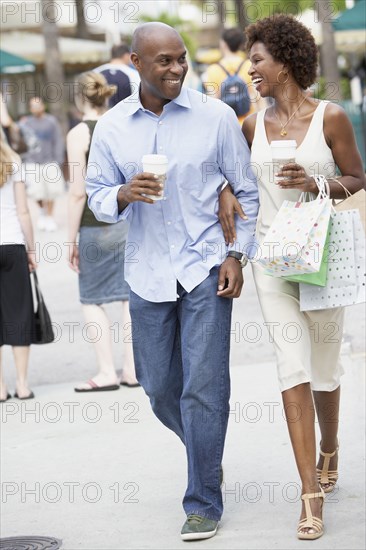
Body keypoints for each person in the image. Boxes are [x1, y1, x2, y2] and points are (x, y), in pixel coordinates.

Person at [86, 22, 259, 541]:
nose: (177, 69)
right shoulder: (113, 128)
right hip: (147, 273)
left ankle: (203, 498)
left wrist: (236, 255)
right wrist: (122, 195)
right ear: (135, 63)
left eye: (181, 58)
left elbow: (246, 193)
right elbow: (97, 194)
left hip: (206, 268)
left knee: (204, 389)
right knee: (160, 388)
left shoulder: (216, 117)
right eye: (163, 61)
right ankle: (204, 456)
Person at [218, 14, 365, 541]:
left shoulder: (331, 118)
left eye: (258, 59)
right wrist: (227, 195)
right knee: (291, 366)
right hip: (272, 263)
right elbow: (234, 182)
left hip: (322, 258)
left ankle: (330, 447)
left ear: (285, 61)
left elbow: (357, 178)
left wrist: (317, 182)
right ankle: (308, 493)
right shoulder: (250, 125)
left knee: (326, 370)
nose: (250, 69)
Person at [66, 72, 139, 391]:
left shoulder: (78, 133)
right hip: (124, 221)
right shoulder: (119, 126)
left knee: (91, 299)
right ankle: (133, 371)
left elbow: (77, 192)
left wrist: (70, 240)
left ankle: (107, 371)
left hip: (94, 226)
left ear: (80, 98)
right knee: (127, 299)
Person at [0, 128, 37, 402]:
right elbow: (23, 211)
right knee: (19, 312)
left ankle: (0, 388)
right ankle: (22, 385)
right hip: (13, 244)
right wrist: (31, 249)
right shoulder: (13, 160)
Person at [202, 27, 265, 125]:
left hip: (226, 125)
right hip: (249, 124)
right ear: (240, 44)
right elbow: (259, 99)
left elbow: (211, 104)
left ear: (223, 44)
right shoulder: (250, 66)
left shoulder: (213, 70)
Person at [21, 97, 65, 232]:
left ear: (43, 106)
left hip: (49, 161)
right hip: (32, 162)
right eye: (32, 106)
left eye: (38, 105)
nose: (36, 108)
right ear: (30, 109)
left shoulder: (51, 121)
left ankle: (50, 217)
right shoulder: (26, 123)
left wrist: (58, 160)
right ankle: (42, 212)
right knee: (36, 192)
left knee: (52, 191)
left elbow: (58, 140)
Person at [94, 43, 140, 108]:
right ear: (126, 56)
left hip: (99, 116)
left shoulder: (95, 72)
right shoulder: (134, 74)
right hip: (125, 116)